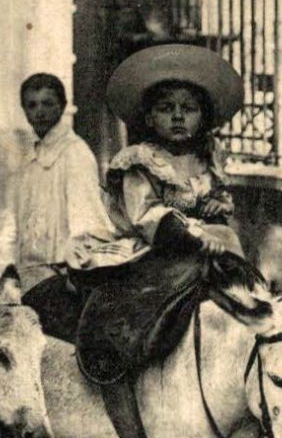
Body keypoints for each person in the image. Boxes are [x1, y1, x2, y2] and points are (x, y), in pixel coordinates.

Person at [67, 43, 245, 273]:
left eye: (189, 108)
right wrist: (194, 234)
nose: (178, 116)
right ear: (150, 118)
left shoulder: (206, 156)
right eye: (167, 108)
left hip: (205, 242)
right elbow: (147, 215)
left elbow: (217, 195)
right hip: (154, 245)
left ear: (202, 118)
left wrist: (216, 205)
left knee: (234, 268)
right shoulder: (141, 160)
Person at [11, 73, 112, 292]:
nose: (40, 112)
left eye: (48, 103)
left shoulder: (74, 153)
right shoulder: (30, 155)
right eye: (32, 105)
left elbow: (85, 216)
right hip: (32, 266)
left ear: (63, 105)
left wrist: (75, 268)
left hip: (63, 270)